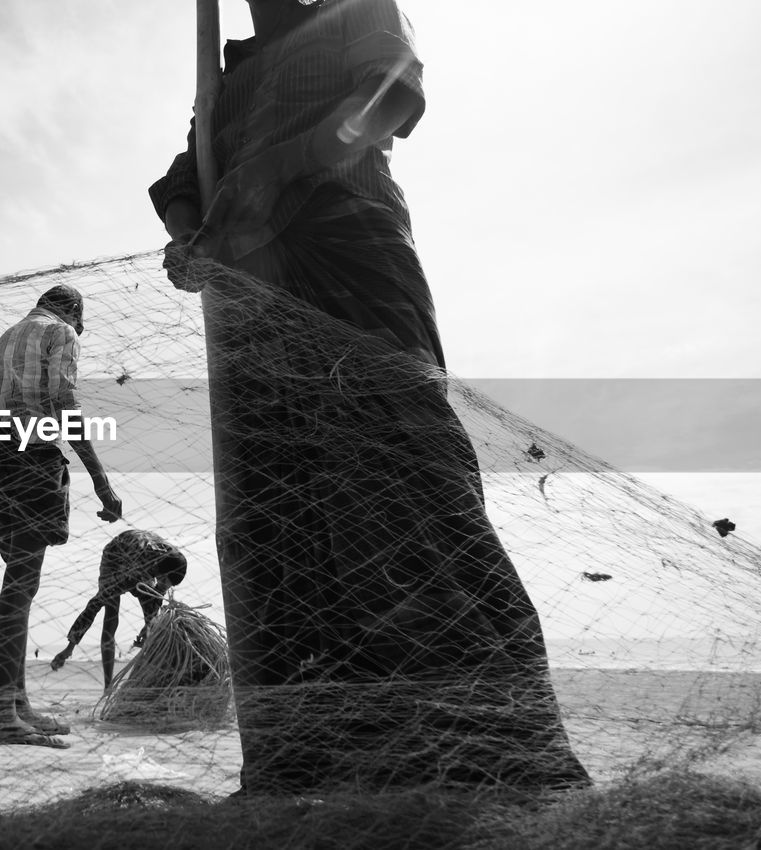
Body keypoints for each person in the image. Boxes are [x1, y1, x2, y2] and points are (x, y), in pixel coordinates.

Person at [150, 0, 590, 793]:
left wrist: (277, 168)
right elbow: (186, 178)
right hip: (249, 293)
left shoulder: (362, 9)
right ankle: (302, 763)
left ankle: (490, 757)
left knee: (402, 482)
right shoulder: (228, 72)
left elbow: (388, 100)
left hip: (350, 250)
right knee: (275, 508)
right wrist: (188, 231)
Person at [0, 284, 123, 747]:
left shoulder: (7, 335)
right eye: (82, 320)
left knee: (22, 576)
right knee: (21, 580)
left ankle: (16, 705)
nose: (82, 329)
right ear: (73, 310)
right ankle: (2, 712)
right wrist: (100, 479)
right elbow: (64, 401)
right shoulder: (61, 331)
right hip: (31, 451)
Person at [50, 529, 188, 689]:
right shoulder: (135, 572)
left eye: (166, 582)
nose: (163, 584)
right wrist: (69, 647)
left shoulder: (172, 561)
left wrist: (149, 624)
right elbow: (94, 605)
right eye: (162, 580)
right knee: (111, 615)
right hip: (115, 555)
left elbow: (156, 597)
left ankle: (151, 678)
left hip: (143, 555)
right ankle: (108, 687)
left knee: (152, 616)